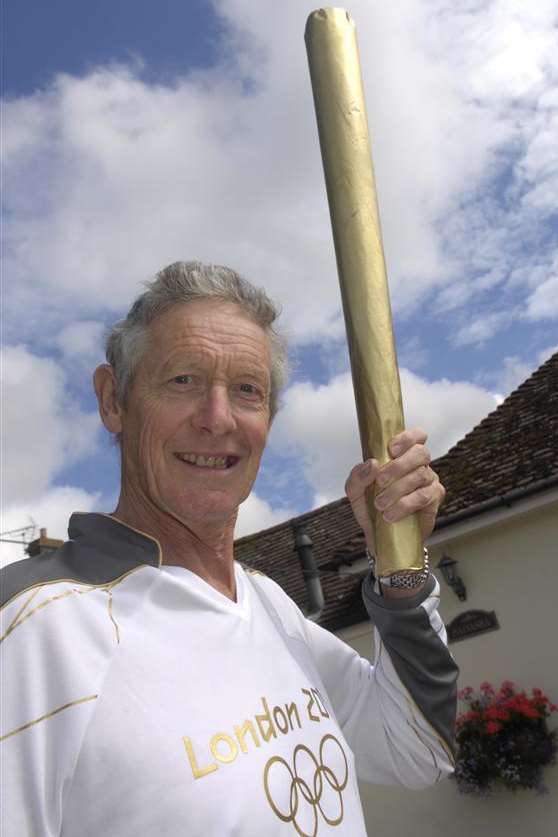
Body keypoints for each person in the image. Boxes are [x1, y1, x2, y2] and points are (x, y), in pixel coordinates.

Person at [1, 261, 457, 836]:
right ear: (113, 399)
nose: (218, 420)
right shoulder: (32, 627)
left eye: (247, 390)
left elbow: (417, 750)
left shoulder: (267, 603)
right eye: (183, 380)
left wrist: (400, 564)